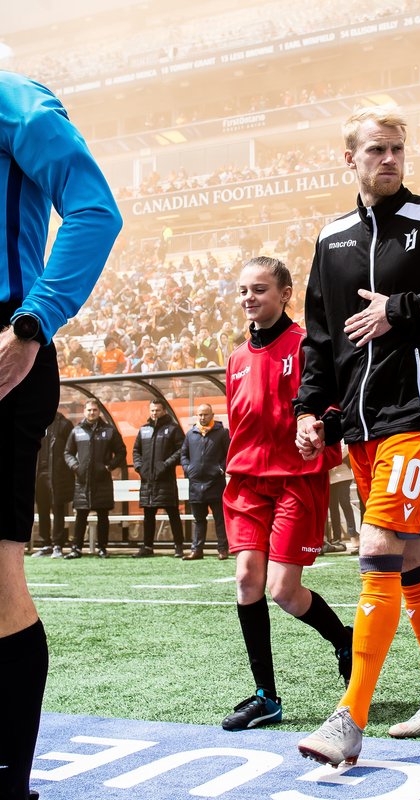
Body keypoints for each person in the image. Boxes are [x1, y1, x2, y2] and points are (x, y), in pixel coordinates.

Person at [293, 106, 420, 767]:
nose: (389, 159)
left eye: (398, 149)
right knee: (409, 562)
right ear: (349, 160)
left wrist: (399, 310)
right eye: (376, 150)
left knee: (377, 545)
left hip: (418, 414)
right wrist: (311, 411)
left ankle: (349, 719)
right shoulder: (331, 238)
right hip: (360, 424)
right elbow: (320, 338)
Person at [0, 70, 121, 800]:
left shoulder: (16, 99)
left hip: (7, 347)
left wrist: (31, 323)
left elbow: (94, 210)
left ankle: (10, 781)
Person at [221, 255, 353, 732]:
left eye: (259, 289)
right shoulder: (236, 358)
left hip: (296, 478)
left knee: (283, 589)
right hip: (246, 483)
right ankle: (266, 696)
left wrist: (320, 425)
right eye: (242, 290)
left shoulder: (308, 346)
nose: (249, 298)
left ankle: (344, 640)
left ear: (284, 294)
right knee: (246, 580)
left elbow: (336, 402)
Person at [63, 400, 126, 559]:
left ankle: (102, 548)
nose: (92, 413)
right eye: (89, 410)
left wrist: (109, 467)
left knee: (103, 515)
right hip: (82, 481)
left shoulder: (109, 431)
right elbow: (68, 453)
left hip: (102, 480)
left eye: (95, 410)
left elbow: (121, 452)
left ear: (99, 412)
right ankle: (76, 549)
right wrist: (76, 467)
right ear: (84, 411)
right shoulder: (76, 431)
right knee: (81, 516)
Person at [131, 399, 185, 558]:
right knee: (148, 514)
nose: (155, 413)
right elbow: (136, 451)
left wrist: (166, 464)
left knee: (172, 512)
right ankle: (147, 547)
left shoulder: (173, 429)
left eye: (158, 410)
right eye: (152, 410)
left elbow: (182, 449)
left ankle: (179, 546)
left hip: (165, 478)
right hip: (148, 479)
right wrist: (140, 467)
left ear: (164, 411)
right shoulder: (144, 430)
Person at [180, 404, 230, 560]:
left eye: (206, 414)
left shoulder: (222, 433)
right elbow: (183, 455)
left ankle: (222, 549)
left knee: (220, 518)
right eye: (200, 415)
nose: (202, 418)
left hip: (215, 483)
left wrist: (220, 470)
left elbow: (229, 454)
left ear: (212, 415)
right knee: (198, 519)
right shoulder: (191, 434)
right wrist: (188, 469)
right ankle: (197, 550)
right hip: (195, 484)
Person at [32, 410, 75, 558]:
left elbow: (71, 450)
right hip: (39, 474)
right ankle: (46, 544)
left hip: (57, 475)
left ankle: (58, 544)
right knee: (42, 509)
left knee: (58, 509)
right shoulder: (36, 422)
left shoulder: (64, 424)